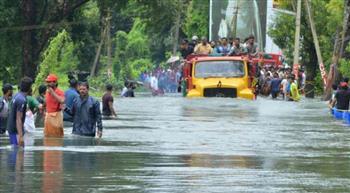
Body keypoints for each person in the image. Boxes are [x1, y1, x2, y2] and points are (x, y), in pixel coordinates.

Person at [7, 77, 33, 146]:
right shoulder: (21, 100)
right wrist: (21, 136)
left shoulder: (16, 96)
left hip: (12, 128)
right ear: (30, 88)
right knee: (18, 152)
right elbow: (18, 119)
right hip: (15, 131)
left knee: (17, 151)